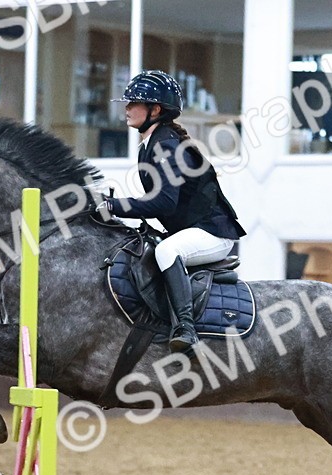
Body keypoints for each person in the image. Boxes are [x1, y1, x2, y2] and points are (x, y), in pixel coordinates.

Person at [100, 69, 246, 352]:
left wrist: (114, 206)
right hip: (194, 228)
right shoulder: (152, 143)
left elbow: (164, 202)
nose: (127, 108)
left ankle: (185, 329)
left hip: (213, 234)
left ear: (155, 110)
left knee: (167, 251)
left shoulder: (165, 145)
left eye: (133, 103)